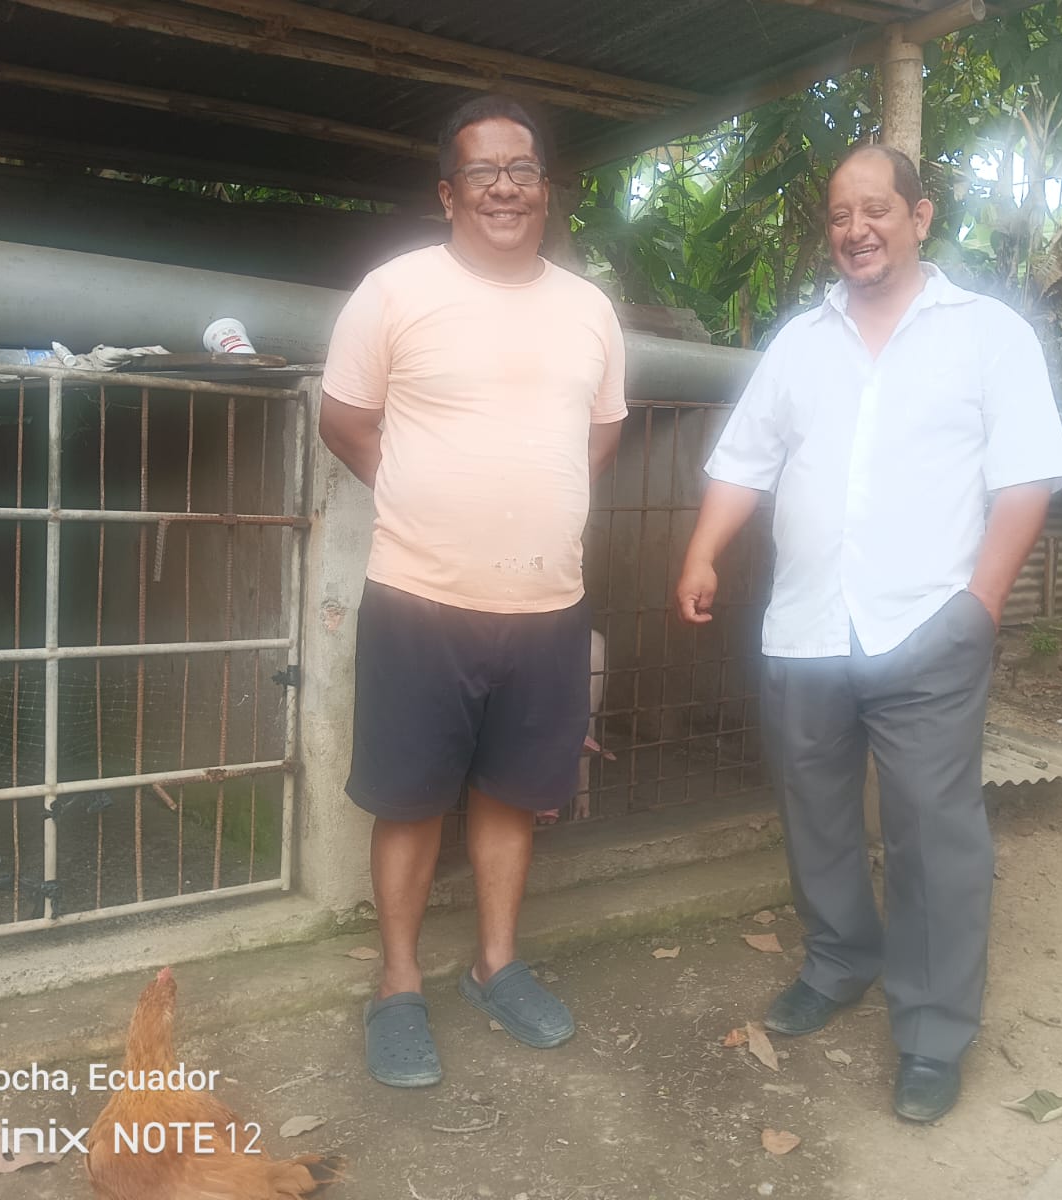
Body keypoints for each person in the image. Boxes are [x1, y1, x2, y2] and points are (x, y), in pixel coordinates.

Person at [675, 144, 1062, 1122]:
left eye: (876, 210)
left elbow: (1026, 476)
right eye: (841, 215)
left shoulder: (988, 335)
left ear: (919, 216)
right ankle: (840, 959)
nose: (856, 230)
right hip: (806, 625)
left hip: (928, 625)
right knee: (815, 814)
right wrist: (702, 552)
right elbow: (745, 459)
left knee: (934, 834)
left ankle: (933, 1031)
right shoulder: (800, 343)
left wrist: (980, 604)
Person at [319, 95, 626, 1089]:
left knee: (513, 793)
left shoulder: (588, 310)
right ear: (448, 193)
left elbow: (601, 432)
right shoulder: (394, 292)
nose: (505, 187)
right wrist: (419, 490)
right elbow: (344, 420)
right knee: (409, 800)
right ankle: (398, 985)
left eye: (522, 170)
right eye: (483, 171)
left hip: (546, 604)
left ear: (546, 188)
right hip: (419, 597)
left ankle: (496, 965)